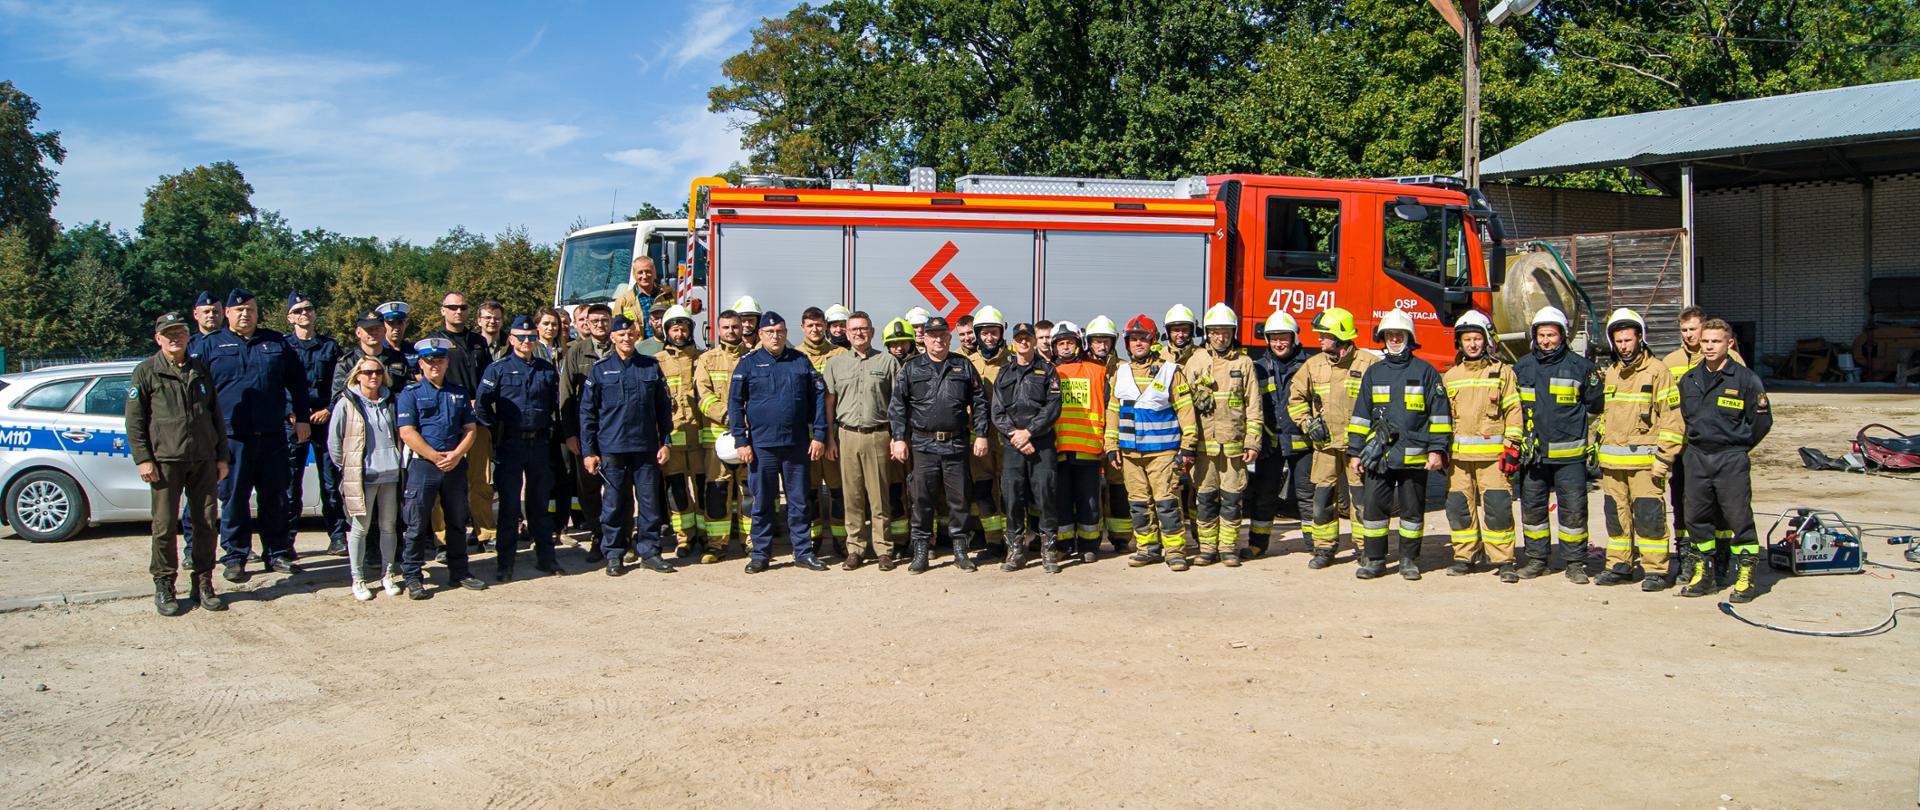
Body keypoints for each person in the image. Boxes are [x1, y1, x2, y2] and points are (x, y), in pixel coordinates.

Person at [194, 289, 311, 582]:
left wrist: (303, 418)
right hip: (232, 438)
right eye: (239, 310)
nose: (245, 314)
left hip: (272, 434)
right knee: (234, 499)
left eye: (251, 310)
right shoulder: (211, 345)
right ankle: (235, 556)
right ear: (228, 314)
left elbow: (297, 382)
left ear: (258, 313)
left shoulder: (275, 343)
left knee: (276, 497)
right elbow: (196, 392)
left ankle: (277, 552)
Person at [128, 312, 232, 615]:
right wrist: (144, 458)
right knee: (163, 526)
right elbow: (134, 421)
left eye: (180, 333)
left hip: (203, 458)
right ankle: (164, 585)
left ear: (188, 337)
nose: (175, 338)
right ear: (158, 339)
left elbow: (215, 416)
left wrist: (221, 456)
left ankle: (203, 583)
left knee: (205, 523)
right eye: (169, 334)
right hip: (165, 461)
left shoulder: (199, 369)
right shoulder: (147, 372)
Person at [1346, 310, 1449, 580]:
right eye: (1389, 335)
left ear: (1409, 338)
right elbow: (1360, 416)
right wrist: (1355, 452)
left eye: (1399, 335)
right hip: (1378, 457)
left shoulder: (1426, 373)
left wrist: (1437, 449)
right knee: (1374, 512)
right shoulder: (1373, 373)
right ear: (1383, 338)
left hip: (1414, 457)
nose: (1394, 339)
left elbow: (1439, 415)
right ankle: (1374, 560)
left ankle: (1408, 561)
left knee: (1412, 513)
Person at [1677, 318, 1772, 602]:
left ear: (1729, 343)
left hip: (1730, 458)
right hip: (1696, 457)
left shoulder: (1745, 379)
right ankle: (1703, 574)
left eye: (1715, 341)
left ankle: (1745, 577)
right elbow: (1682, 417)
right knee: (1696, 518)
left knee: (1738, 517)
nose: (1708, 346)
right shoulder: (1689, 379)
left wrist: (1739, 445)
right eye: (1705, 341)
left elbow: (1762, 422)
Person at [1592, 308, 1685, 590]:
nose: (1624, 346)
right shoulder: (1611, 373)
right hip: (1612, 464)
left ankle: (1656, 569)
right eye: (1619, 341)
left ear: (1640, 338)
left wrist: (1664, 457)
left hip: (1646, 464)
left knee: (1649, 516)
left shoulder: (1658, 371)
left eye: (1628, 340)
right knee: (1616, 518)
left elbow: (1672, 418)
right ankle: (1619, 565)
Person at [731, 311, 830, 573]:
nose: (776, 337)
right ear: (761, 335)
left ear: (787, 333)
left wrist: (819, 435)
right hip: (761, 446)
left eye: (781, 332)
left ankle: (803, 552)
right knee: (762, 501)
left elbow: (818, 400)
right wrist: (741, 440)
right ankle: (761, 554)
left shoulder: (800, 361)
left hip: (796, 445)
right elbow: (734, 404)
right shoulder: (748, 364)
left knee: (799, 501)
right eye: (770, 332)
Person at [891, 316, 990, 574]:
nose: (938, 340)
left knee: (959, 499)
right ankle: (921, 552)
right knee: (921, 499)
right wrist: (899, 437)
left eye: (942, 335)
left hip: (956, 444)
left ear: (949, 338)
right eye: (932, 335)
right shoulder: (912, 369)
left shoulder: (962, 365)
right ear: (924, 339)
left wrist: (981, 434)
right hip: (923, 444)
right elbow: (898, 406)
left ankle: (960, 551)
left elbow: (979, 402)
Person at [1512, 306, 1603, 583]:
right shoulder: (1522, 367)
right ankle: (1537, 559)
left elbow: (1595, 407)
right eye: (1542, 335)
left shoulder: (1582, 368)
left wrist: (1579, 435)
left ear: (1563, 336)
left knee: (1573, 510)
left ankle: (1575, 563)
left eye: (1551, 335)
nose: (1546, 341)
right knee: (1533, 509)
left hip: (1570, 457)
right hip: (1534, 456)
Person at [581, 314, 677, 576]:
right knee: (613, 503)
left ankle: (650, 551)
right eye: (620, 335)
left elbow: (663, 409)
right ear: (612, 338)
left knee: (649, 504)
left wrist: (665, 442)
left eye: (630, 334)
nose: (626, 338)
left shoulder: (650, 367)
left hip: (645, 447)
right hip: (612, 448)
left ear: (636, 336)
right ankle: (614, 553)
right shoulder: (600, 370)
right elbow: (587, 414)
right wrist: (589, 452)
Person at [1106, 314, 1199, 570]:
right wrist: (1111, 446)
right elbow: (1112, 411)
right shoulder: (1120, 372)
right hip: (1130, 453)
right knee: (1138, 503)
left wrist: (1188, 446)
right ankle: (1147, 549)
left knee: (1167, 502)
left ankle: (1175, 551)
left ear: (1153, 340)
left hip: (1163, 452)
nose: (1138, 344)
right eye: (1133, 339)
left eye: (1143, 339)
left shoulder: (1170, 371)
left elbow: (1185, 410)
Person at [396, 337, 486, 597]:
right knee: (416, 523)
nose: (435, 365)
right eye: (429, 361)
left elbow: (470, 429)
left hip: (455, 465)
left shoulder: (458, 393)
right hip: (424, 465)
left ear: (447, 362)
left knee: (457, 521)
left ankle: (459, 572)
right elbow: (407, 432)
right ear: (421, 364)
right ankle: (413, 575)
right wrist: (435, 457)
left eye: (440, 360)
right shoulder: (410, 394)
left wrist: (456, 455)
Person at [1662, 306, 1747, 582]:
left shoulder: (1730, 359)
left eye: (1694, 329)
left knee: (1721, 506)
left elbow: (1748, 406)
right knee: (1684, 504)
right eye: (1684, 330)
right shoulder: (1671, 361)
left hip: (1719, 450)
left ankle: (1721, 557)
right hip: (1683, 450)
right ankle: (1689, 558)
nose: (1689, 335)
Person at [1287, 307, 1376, 570]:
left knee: (1361, 500)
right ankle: (1324, 548)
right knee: (1323, 499)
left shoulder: (1368, 364)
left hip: (1357, 448)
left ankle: (1364, 548)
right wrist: (1307, 422)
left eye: (1324, 335)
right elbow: (1295, 398)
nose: (1319, 340)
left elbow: (1381, 405)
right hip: (1324, 447)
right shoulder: (1313, 366)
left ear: (1339, 336)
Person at [478, 316, 563, 581]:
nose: (526, 342)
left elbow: (554, 406)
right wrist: (496, 431)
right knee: (510, 507)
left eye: (531, 337)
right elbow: (482, 405)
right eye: (521, 337)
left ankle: (547, 559)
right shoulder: (498, 369)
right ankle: (505, 564)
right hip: (510, 443)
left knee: (539, 504)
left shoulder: (546, 369)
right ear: (511, 339)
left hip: (538, 444)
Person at [1440, 311, 1522, 580]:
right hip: (1459, 459)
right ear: (1459, 343)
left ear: (1486, 340)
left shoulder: (1503, 372)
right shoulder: (1450, 376)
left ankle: (1504, 559)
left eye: (1477, 338)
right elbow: (1442, 419)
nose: (1472, 344)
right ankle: (1465, 556)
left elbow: (1513, 411)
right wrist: (1440, 450)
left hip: (1494, 458)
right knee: (1459, 508)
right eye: (1467, 339)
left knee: (1498, 508)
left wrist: (1512, 447)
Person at [1184, 304, 1262, 566]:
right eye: (1215, 332)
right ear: (1207, 333)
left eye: (1225, 332)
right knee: (1205, 500)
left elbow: (1254, 406)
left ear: (1233, 333)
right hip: (1203, 447)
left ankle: (1228, 548)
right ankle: (1207, 549)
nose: (1220, 337)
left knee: (1231, 500)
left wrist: (1253, 442)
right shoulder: (1195, 362)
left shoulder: (1244, 363)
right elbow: (1184, 408)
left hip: (1234, 448)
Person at [823, 312, 901, 569]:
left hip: (878, 435)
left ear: (872, 331)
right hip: (846, 436)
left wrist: (896, 437)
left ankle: (884, 549)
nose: (859, 333)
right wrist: (830, 439)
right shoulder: (835, 364)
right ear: (846, 333)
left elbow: (898, 404)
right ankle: (855, 548)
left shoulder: (888, 361)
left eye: (864, 329)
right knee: (852, 496)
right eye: (854, 329)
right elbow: (830, 403)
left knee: (879, 497)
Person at [330, 355, 404, 601]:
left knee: (388, 527)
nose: (373, 376)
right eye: (368, 372)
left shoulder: (391, 401)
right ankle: (358, 578)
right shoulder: (346, 403)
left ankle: (388, 573)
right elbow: (335, 443)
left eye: (378, 372)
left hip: (391, 475)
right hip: (362, 476)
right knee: (360, 529)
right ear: (357, 375)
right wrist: (349, 467)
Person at [430, 292, 498, 551]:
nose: (458, 311)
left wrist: (480, 400)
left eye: (463, 307)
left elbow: (489, 378)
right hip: (445, 420)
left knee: (480, 479)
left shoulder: (477, 341)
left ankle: (485, 532)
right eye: (453, 307)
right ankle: (443, 538)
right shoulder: (434, 342)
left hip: (477, 419)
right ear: (442, 310)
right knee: (442, 481)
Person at [992, 322, 1062, 572]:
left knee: (1046, 496)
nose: (1023, 342)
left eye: (1027, 338)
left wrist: (1029, 432)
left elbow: (1052, 408)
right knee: (1012, 498)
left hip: (1041, 445)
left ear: (1034, 342)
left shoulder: (1048, 371)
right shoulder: (1004, 373)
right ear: (1013, 343)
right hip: (1013, 446)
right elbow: (997, 412)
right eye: (1019, 339)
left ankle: (1048, 550)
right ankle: (1015, 550)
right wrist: (1016, 436)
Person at [283, 292, 346, 557]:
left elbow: (342, 383)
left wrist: (329, 410)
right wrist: (292, 414)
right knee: (289, 485)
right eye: (298, 311)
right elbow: (276, 384)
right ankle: (286, 542)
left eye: (308, 309)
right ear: (290, 318)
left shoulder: (330, 347)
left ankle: (337, 536)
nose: (304, 314)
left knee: (331, 484)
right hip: (293, 423)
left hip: (324, 421)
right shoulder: (282, 347)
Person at [1248, 311, 1311, 559]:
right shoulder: (1259, 368)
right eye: (1273, 338)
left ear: (1294, 338)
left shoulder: (1308, 366)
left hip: (1302, 442)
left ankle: (1315, 546)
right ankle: (1257, 545)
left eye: (1283, 337)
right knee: (1264, 496)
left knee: (1306, 496)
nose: (1278, 343)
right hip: (1269, 442)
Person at [695, 309, 751, 561]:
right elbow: (703, 397)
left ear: (742, 328)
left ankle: (753, 542)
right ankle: (716, 545)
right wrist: (731, 417)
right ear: (718, 330)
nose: (731, 331)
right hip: (717, 437)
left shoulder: (752, 358)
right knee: (717, 491)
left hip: (749, 438)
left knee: (750, 491)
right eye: (726, 327)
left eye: (735, 327)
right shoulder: (706, 360)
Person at [560, 304, 614, 559]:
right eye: (595, 321)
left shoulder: (620, 347)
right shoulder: (576, 352)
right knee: (589, 488)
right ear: (586, 324)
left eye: (604, 320)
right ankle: (598, 534)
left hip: (615, 430)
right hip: (586, 431)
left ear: (611, 321)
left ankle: (618, 537)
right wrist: (570, 434)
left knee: (617, 487)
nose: (600, 324)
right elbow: (567, 394)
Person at [1049, 321, 1107, 563]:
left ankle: (1088, 545)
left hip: (1089, 448)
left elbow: (1109, 406)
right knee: (1060, 502)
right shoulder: (1048, 372)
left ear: (1078, 343)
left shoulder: (1096, 371)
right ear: (1053, 347)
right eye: (1060, 343)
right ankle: (1063, 545)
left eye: (1069, 343)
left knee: (1089, 502)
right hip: (1057, 450)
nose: (1065, 347)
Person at [796, 306, 848, 555]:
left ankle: (841, 539)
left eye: (819, 325)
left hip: (834, 435)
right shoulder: (794, 355)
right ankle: (814, 539)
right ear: (802, 328)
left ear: (825, 326)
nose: (815, 329)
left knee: (839, 491)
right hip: (804, 436)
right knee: (810, 492)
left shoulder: (840, 354)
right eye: (810, 325)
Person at [654, 305, 705, 557]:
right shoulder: (657, 362)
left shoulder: (703, 358)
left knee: (705, 490)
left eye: (684, 327)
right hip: (672, 438)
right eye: (674, 328)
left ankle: (706, 534)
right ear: (666, 332)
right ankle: (684, 538)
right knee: (676, 492)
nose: (680, 332)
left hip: (700, 437)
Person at [966, 305, 1011, 558]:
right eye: (984, 333)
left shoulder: (1013, 361)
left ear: (1001, 333)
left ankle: (1012, 540)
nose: (989, 338)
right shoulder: (967, 363)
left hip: (1007, 440)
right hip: (978, 440)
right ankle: (993, 541)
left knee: (1009, 491)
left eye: (993, 332)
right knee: (983, 491)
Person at [1084, 315, 1131, 553]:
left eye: (1106, 341)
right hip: (1089, 436)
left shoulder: (1124, 369)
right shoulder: (1083, 367)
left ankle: (1121, 538)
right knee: (1090, 490)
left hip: (1117, 438)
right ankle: (1090, 540)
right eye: (1097, 341)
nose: (1102, 346)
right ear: (1089, 342)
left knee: (1118, 488)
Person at [877, 318, 916, 549]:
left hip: (919, 437)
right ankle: (900, 540)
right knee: (894, 491)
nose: (899, 348)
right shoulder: (881, 365)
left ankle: (923, 540)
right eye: (894, 344)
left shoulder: (922, 364)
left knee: (919, 490)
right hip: (891, 437)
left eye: (903, 343)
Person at [333, 313, 410, 403]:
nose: (374, 332)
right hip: (358, 413)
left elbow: (408, 390)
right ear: (358, 332)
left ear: (384, 331)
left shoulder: (398, 359)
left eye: (377, 328)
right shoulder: (347, 363)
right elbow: (338, 397)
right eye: (369, 329)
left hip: (391, 411)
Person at [612, 257, 668, 336]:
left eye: (648, 271)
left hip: (666, 344)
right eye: (640, 272)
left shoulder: (668, 294)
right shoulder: (623, 301)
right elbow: (615, 330)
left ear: (654, 272)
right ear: (634, 275)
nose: (644, 276)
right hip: (638, 346)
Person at [375, 301, 418, 380]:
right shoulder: (377, 351)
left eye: (400, 322)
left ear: (406, 323)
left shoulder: (414, 350)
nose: (396, 328)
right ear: (382, 325)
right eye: (391, 323)